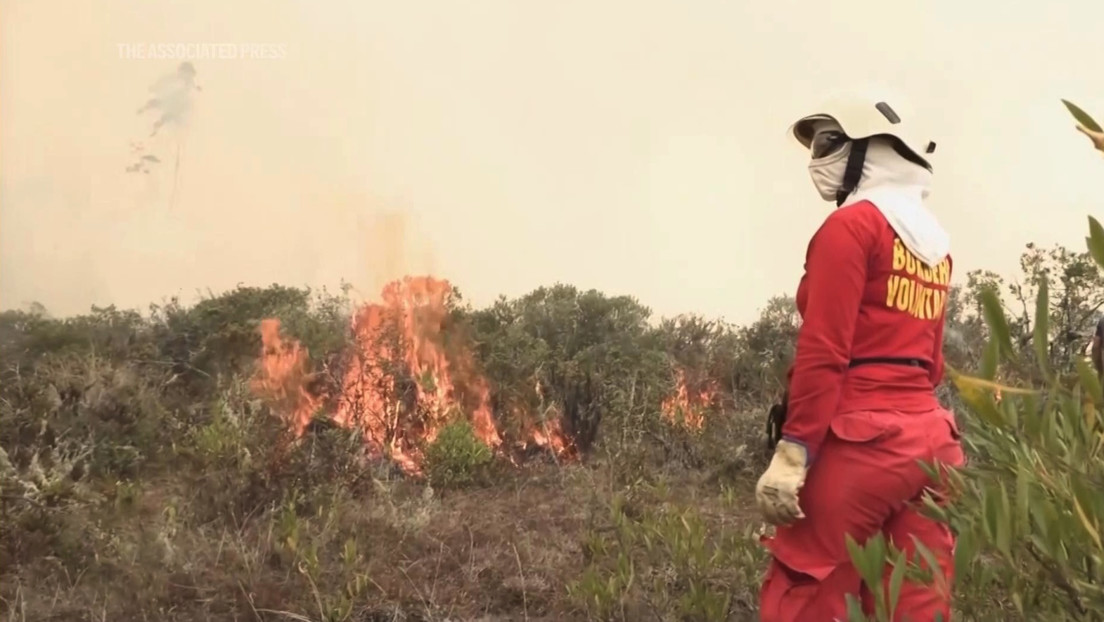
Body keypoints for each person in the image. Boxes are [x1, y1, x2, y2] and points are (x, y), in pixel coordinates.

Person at [755, 88, 965, 621]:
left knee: (807, 588)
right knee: (917, 600)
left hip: (859, 440)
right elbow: (932, 363)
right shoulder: (934, 244)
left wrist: (793, 451)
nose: (816, 160)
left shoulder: (850, 228)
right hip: (932, 446)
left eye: (830, 143)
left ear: (870, 152)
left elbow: (824, 350)